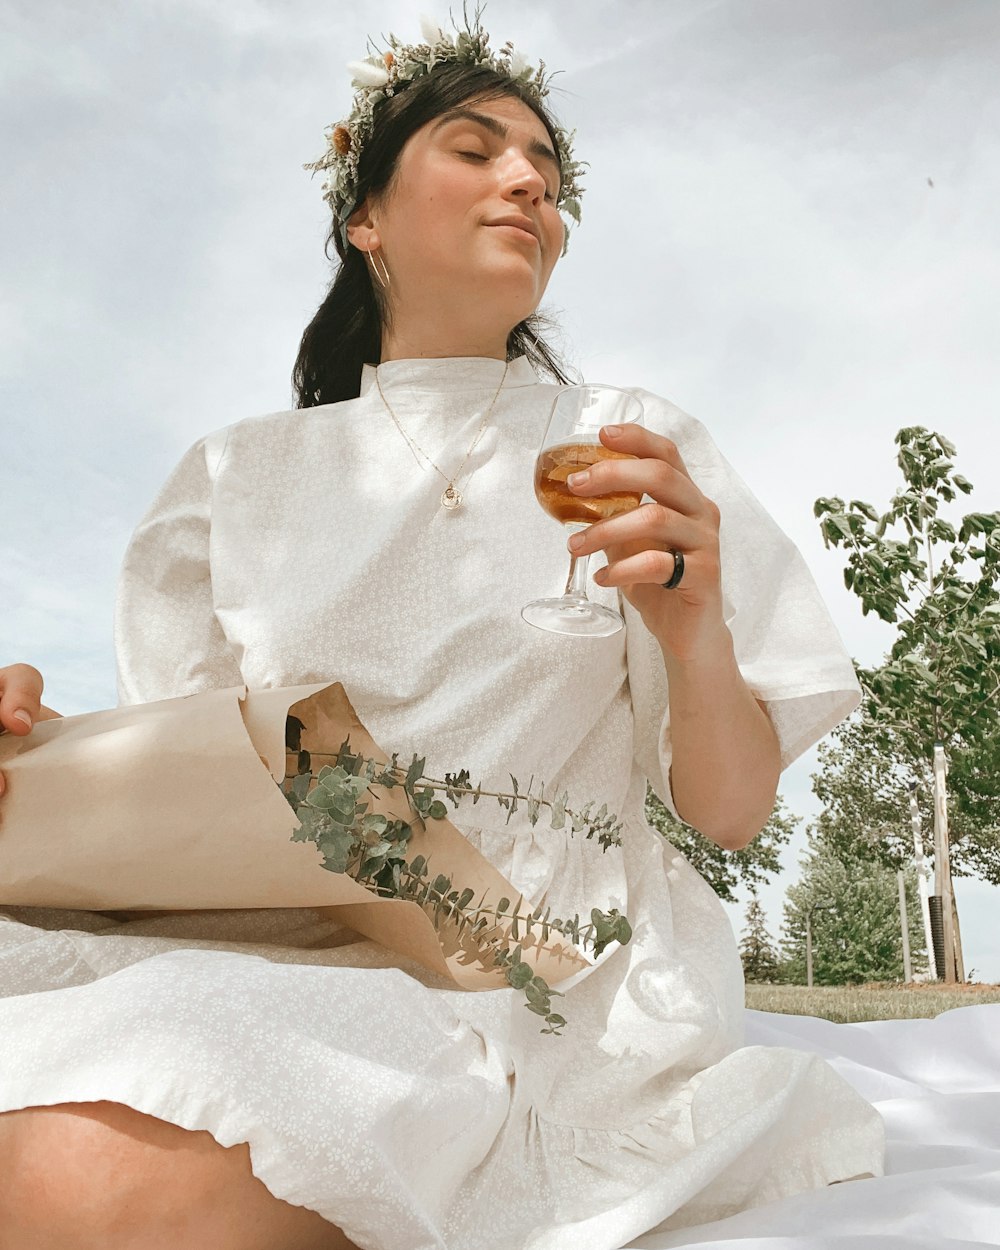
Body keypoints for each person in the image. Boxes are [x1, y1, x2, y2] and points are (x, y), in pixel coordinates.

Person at [0, 11, 885, 1250]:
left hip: (521, 976)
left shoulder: (627, 440)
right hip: (271, 935)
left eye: (548, 172)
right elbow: (186, 793)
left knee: (87, 1175)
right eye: (476, 149)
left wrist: (693, 627)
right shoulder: (233, 477)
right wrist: (34, 745)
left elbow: (729, 811)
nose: (529, 181)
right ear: (364, 217)